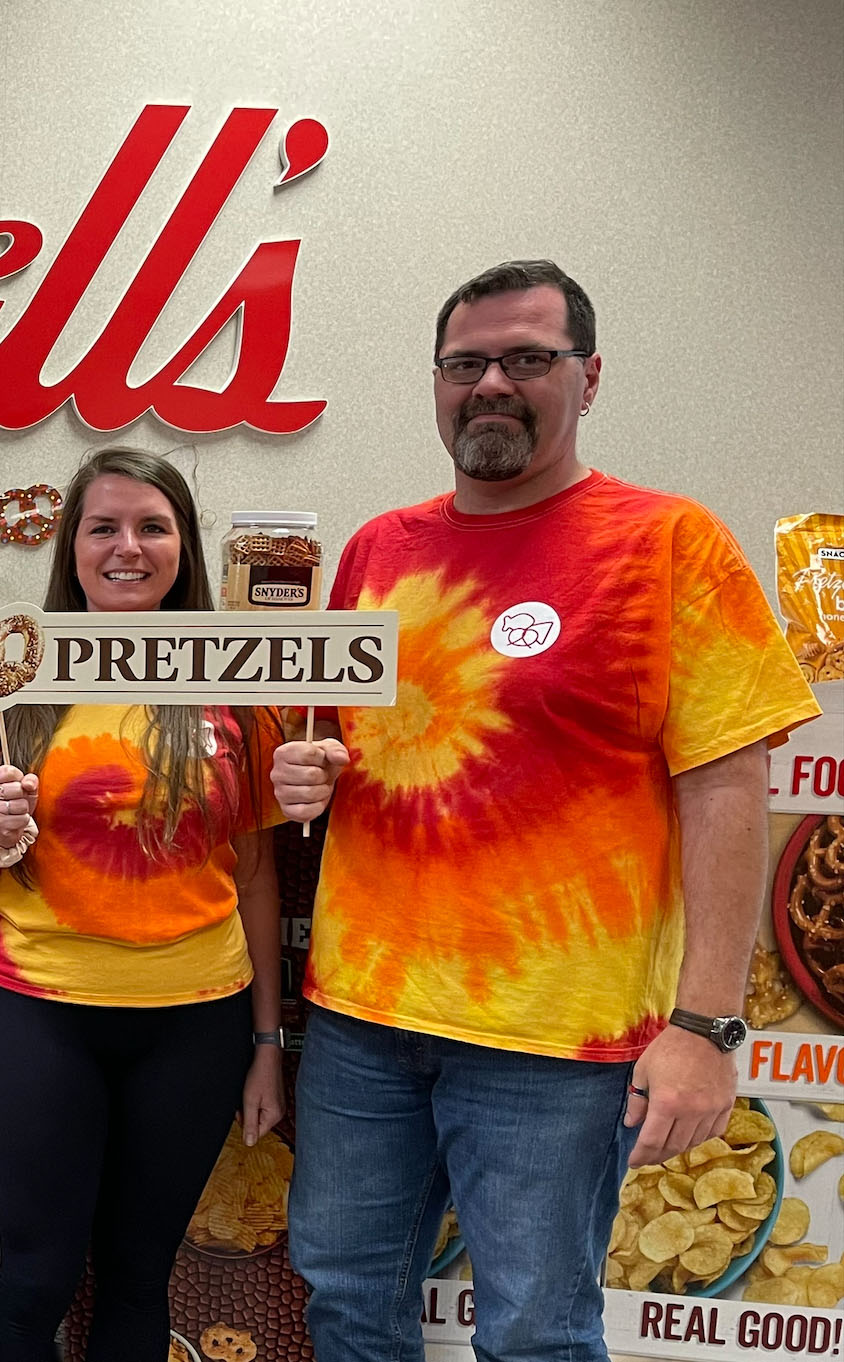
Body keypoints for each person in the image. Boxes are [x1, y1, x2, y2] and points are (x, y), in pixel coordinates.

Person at [275, 260, 821, 1362]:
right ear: (434, 382)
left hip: (553, 1045)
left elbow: (724, 788)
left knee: (532, 1330)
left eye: (526, 358)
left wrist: (707, 1025)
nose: (489, 383)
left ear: (587, 377)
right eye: (464, 363)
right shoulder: (377, 548)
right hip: (360, 1019)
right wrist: (307, 778)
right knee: (341, 1299)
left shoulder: (667, 545)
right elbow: (335, 742)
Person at [0, 448, 287, 1362]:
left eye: (152, 526)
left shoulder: (232, 685)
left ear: (183, 546)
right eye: (104, 527)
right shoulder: (3, 678)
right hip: (41, 1018)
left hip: (197, 1023)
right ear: (71, 548)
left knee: (137, 1276)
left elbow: (253, 878)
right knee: (36, 1280)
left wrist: (269, 1045)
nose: (128, 547)